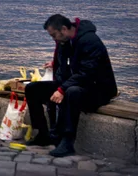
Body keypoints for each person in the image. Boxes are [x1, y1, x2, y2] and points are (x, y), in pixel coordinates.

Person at [25, 14, 117, 157]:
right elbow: (66, 66)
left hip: (98, 89)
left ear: (64, 29)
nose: (53, 39)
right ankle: (43, 134)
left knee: (71, 92)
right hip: (76, 83)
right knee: (32, 89)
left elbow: (87, 72)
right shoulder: (65, 42)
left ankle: (67, 141)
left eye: (54, 35)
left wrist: (62, 89)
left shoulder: (90, 41)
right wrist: (56, 71)